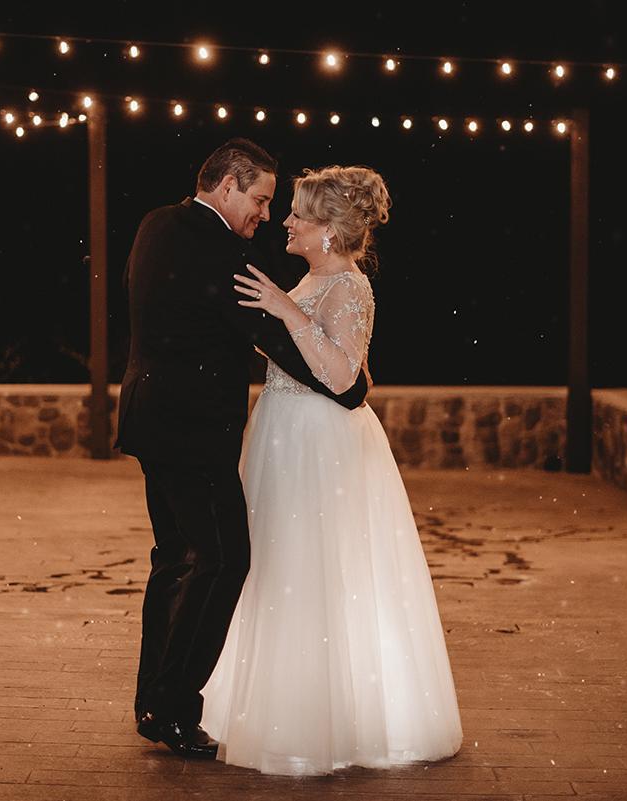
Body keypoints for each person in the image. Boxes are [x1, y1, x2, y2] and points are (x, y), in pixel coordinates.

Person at [201, 165, 463, 775]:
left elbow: (344, 378)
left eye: (298, 214)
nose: (285, 221)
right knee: (276, 567)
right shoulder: (310, 278)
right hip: (281, 435)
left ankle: (322, 726)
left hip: (321, 443)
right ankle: (271, 708)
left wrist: (285, 313)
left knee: (317, 570)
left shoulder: (349, 285)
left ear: (328, 230)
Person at [116, 140, 369, 759]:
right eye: (258, 199)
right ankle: (174, 707)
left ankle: (152, 699)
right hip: (194, 434)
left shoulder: (156, 224)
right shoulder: (219, 252)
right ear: (227, 184)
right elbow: (271, 338)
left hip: (150, 422)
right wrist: (351, 387)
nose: (265, 214)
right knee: (224, 561)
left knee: (174, 558)